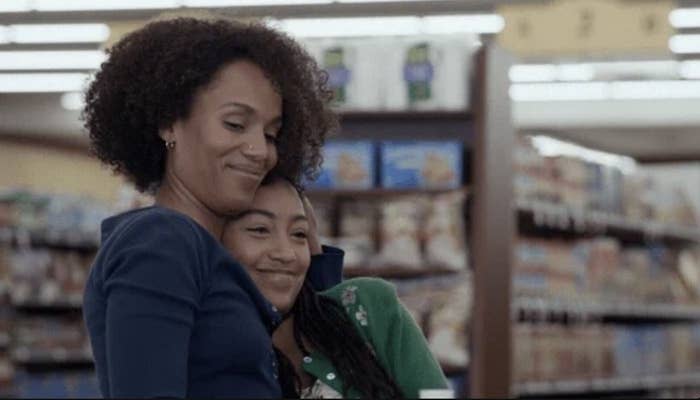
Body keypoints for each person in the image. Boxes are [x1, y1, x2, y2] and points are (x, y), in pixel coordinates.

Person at [81, 17, 340, 398]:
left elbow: (320, 350)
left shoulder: (213, 257)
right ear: (169, 123)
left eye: (271, 134)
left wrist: (311, 250)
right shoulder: (163, 241)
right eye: (236, 124)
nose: (259, 150)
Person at [222, 174, 450, 398]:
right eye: (260, 230)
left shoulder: (367, 307)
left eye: (299, 233)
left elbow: (434, 394)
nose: (286, 253)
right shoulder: (207, 351)